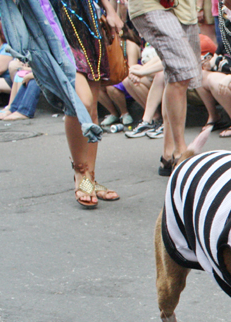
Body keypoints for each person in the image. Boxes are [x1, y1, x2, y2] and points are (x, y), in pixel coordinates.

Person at [50, 0, 124, 207]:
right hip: (54, 26)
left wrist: (110, 11)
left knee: (91, 108)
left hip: (87, 24)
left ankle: (90, 177)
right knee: (81, 102)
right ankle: (80, 172)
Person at [128, 0, 202, 175]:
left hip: (185, 8)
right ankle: (180, 151)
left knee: (178, 76)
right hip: (153, 5)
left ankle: (168, 154)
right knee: (181, 73)